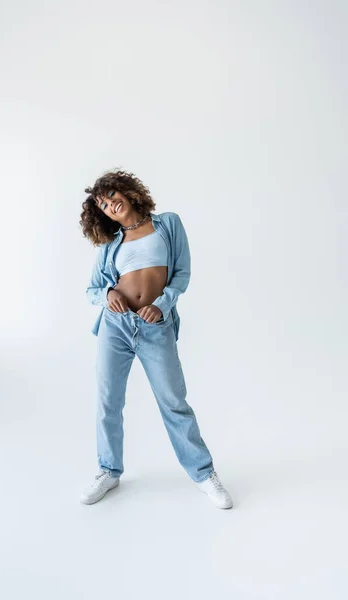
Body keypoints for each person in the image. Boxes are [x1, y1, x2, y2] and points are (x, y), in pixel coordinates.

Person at [79, 169, 233, 509]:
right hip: (115, 325)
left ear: (128, 192)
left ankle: (203, 473)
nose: (109, 205)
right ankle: (109, 470)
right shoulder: (110, 244)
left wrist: (161, 305)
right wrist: (107, 295)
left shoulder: (168, 224)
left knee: (174, 401)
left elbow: (181, 274)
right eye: (102, 205)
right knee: (109, 401)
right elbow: (92, 289)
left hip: (155, 326)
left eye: (111, 197)